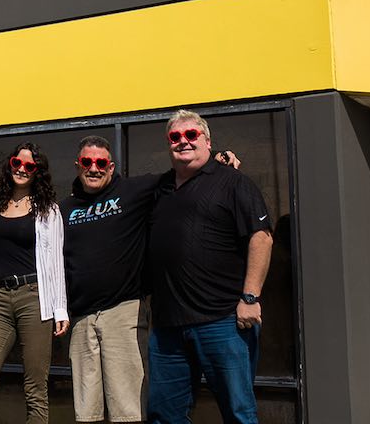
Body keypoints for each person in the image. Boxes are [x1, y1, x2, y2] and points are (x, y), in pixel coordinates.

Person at [62, 136, 238, 424]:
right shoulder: (65, 208)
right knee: (86, 412)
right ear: (78, 165)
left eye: (100, 162)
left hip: (123, 312)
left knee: (127, 409)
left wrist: (217, 155)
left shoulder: (133, 190)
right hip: (81, 319)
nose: (93, 168)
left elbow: (181, 168)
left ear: (111, 166)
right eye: (87, 162)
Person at [146, 110, 273, 424]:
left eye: (191, 135)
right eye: (175, 137)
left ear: (207, 141)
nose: (183, 142)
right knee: (164, 416)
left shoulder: (233, 182)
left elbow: (262, 238)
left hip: (222, 321)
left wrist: (250, 298)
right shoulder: (159, 189)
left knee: (238, 412)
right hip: (167, 327)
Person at [0, 142, 69, 424]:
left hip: (34, 297)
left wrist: (60, 308)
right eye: (17, 163)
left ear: (38, 172)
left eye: (29, 166)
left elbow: (56, 261)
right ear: (9, 164)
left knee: (35, 389)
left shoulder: (47, 209)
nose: (22, 169)